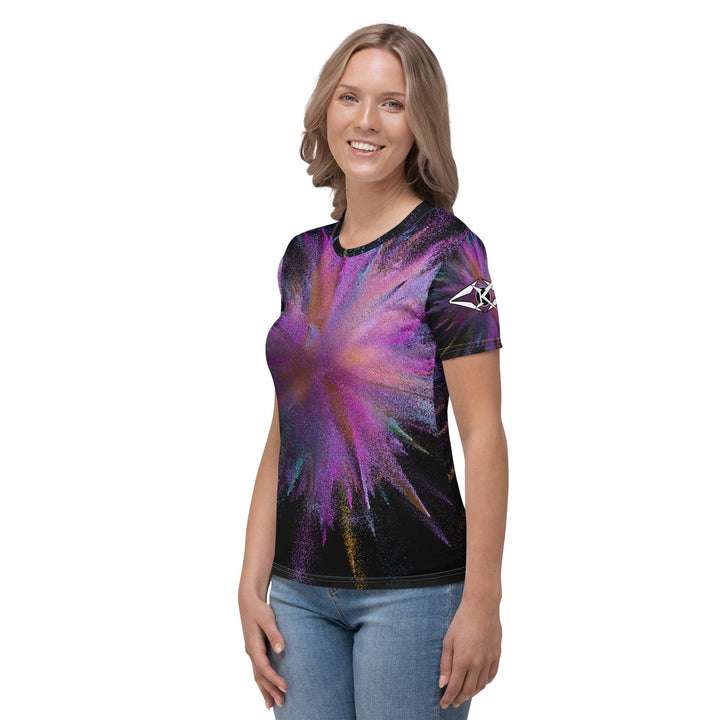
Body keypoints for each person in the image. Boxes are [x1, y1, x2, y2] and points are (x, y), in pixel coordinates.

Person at [238, 22, 508, 720]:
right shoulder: (302, 258)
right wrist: (250, 580)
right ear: (326, 108)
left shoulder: (450, 254)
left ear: (421, 123)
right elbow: (285, 433)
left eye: (393, 103)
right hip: (298, 596)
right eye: (350, 97)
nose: (366, 120)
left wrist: (483, 599)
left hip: (415, 595)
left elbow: (483, 433)